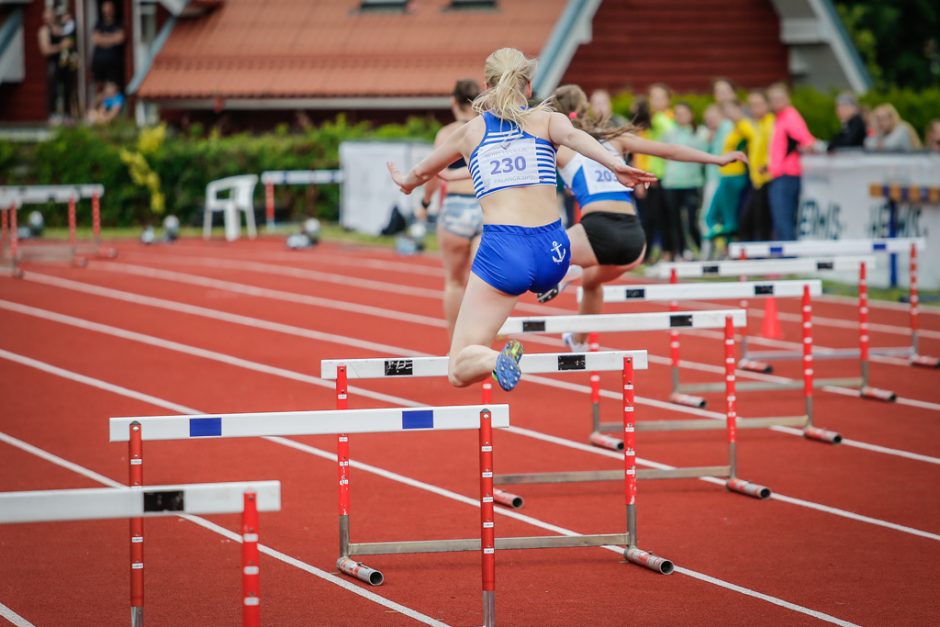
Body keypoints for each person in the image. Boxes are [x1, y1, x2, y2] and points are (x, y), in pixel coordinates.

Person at [387, 48, 657, 392]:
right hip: (554, 251)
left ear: (486, 85)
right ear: (528, 87)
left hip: (505, 251)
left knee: (458, 367)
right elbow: (576, 137)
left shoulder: (470, 132)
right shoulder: (547, 119)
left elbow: (421, 172)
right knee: (561, 260)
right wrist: (614, 164)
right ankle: (568, 279)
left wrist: (405, 182)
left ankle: (493, 359)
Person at [543, 84, 745, 350]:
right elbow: (670, 150)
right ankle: (578, 340)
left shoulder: (559, 148)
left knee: (536, 259)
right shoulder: (616, 139)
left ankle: (561, 273)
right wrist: (716, 159)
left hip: (596, 229)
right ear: (584, 110)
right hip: (634, 241)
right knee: (591, 283)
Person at [418, 79, 484, 340]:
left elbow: (434, 174)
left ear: (453, 102)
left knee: (454, 282)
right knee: (486, 282)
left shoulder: (446, 134)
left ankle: (456, 346)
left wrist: (425, 203)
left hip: (455, 208)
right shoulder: (485, 130)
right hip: (483, 207)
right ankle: (483, 337)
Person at [767, 82, 816, 242]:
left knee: (784, 219)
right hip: (778, 173)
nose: (776, 101)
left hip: (787, 174)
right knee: (780, 219)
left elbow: (806, 141)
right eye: (773, 98)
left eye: (779, 97)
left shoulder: (790, 116)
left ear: (787, 98)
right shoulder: (779, 117)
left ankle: (790, 259)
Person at [661, 102, 709, 258]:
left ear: (691, 115)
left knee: (692, 219)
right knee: (674, 220)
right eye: (678, 114)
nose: (681, 117)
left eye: (684, 113)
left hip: (692, 182)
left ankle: (701, 248)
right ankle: (682, 252)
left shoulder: (701, 133)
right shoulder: (669, 133)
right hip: (672, 183)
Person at [704, 99, 749, 249]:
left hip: (734, 175)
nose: (729, 113)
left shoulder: (740, 125)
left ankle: (731, 248)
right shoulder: (733, 127)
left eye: (731, 110)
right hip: (724, 175)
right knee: (713, 216)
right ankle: (724, 245)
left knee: (729, 218)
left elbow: (754, 139)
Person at [738, 90, 775, 241]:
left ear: (767, 105)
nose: (755, 108)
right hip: (756, 178)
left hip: (769, 177)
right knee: (752, 219)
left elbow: (775, 148)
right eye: (752, 105)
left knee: (761, 219)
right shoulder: (757, 125)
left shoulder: (771, 122)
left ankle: (762, 254)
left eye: (758, 104)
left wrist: (767, 164)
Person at [37, 7, 70, 122]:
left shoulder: (60, 29)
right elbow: (46, 50)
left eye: (50, 14)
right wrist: (61, 46)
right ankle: (53, 114)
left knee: (66, 87)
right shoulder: (44, 31)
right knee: (54, 88)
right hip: (53, 62)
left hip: (64, 62)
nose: (49, 17)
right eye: (47, 15)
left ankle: (66, 114)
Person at [91, 1, 125, 90]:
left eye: (109, 8)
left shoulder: (118, 23)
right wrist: (112, 39)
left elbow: (120, 38)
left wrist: (103, 39)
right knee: (100, 87)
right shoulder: (99, 24)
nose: (107, 11)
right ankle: (99, 103)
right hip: (99, 62)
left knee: (113, 87)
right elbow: (95, 39)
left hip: (113, 62)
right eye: (106, 9)